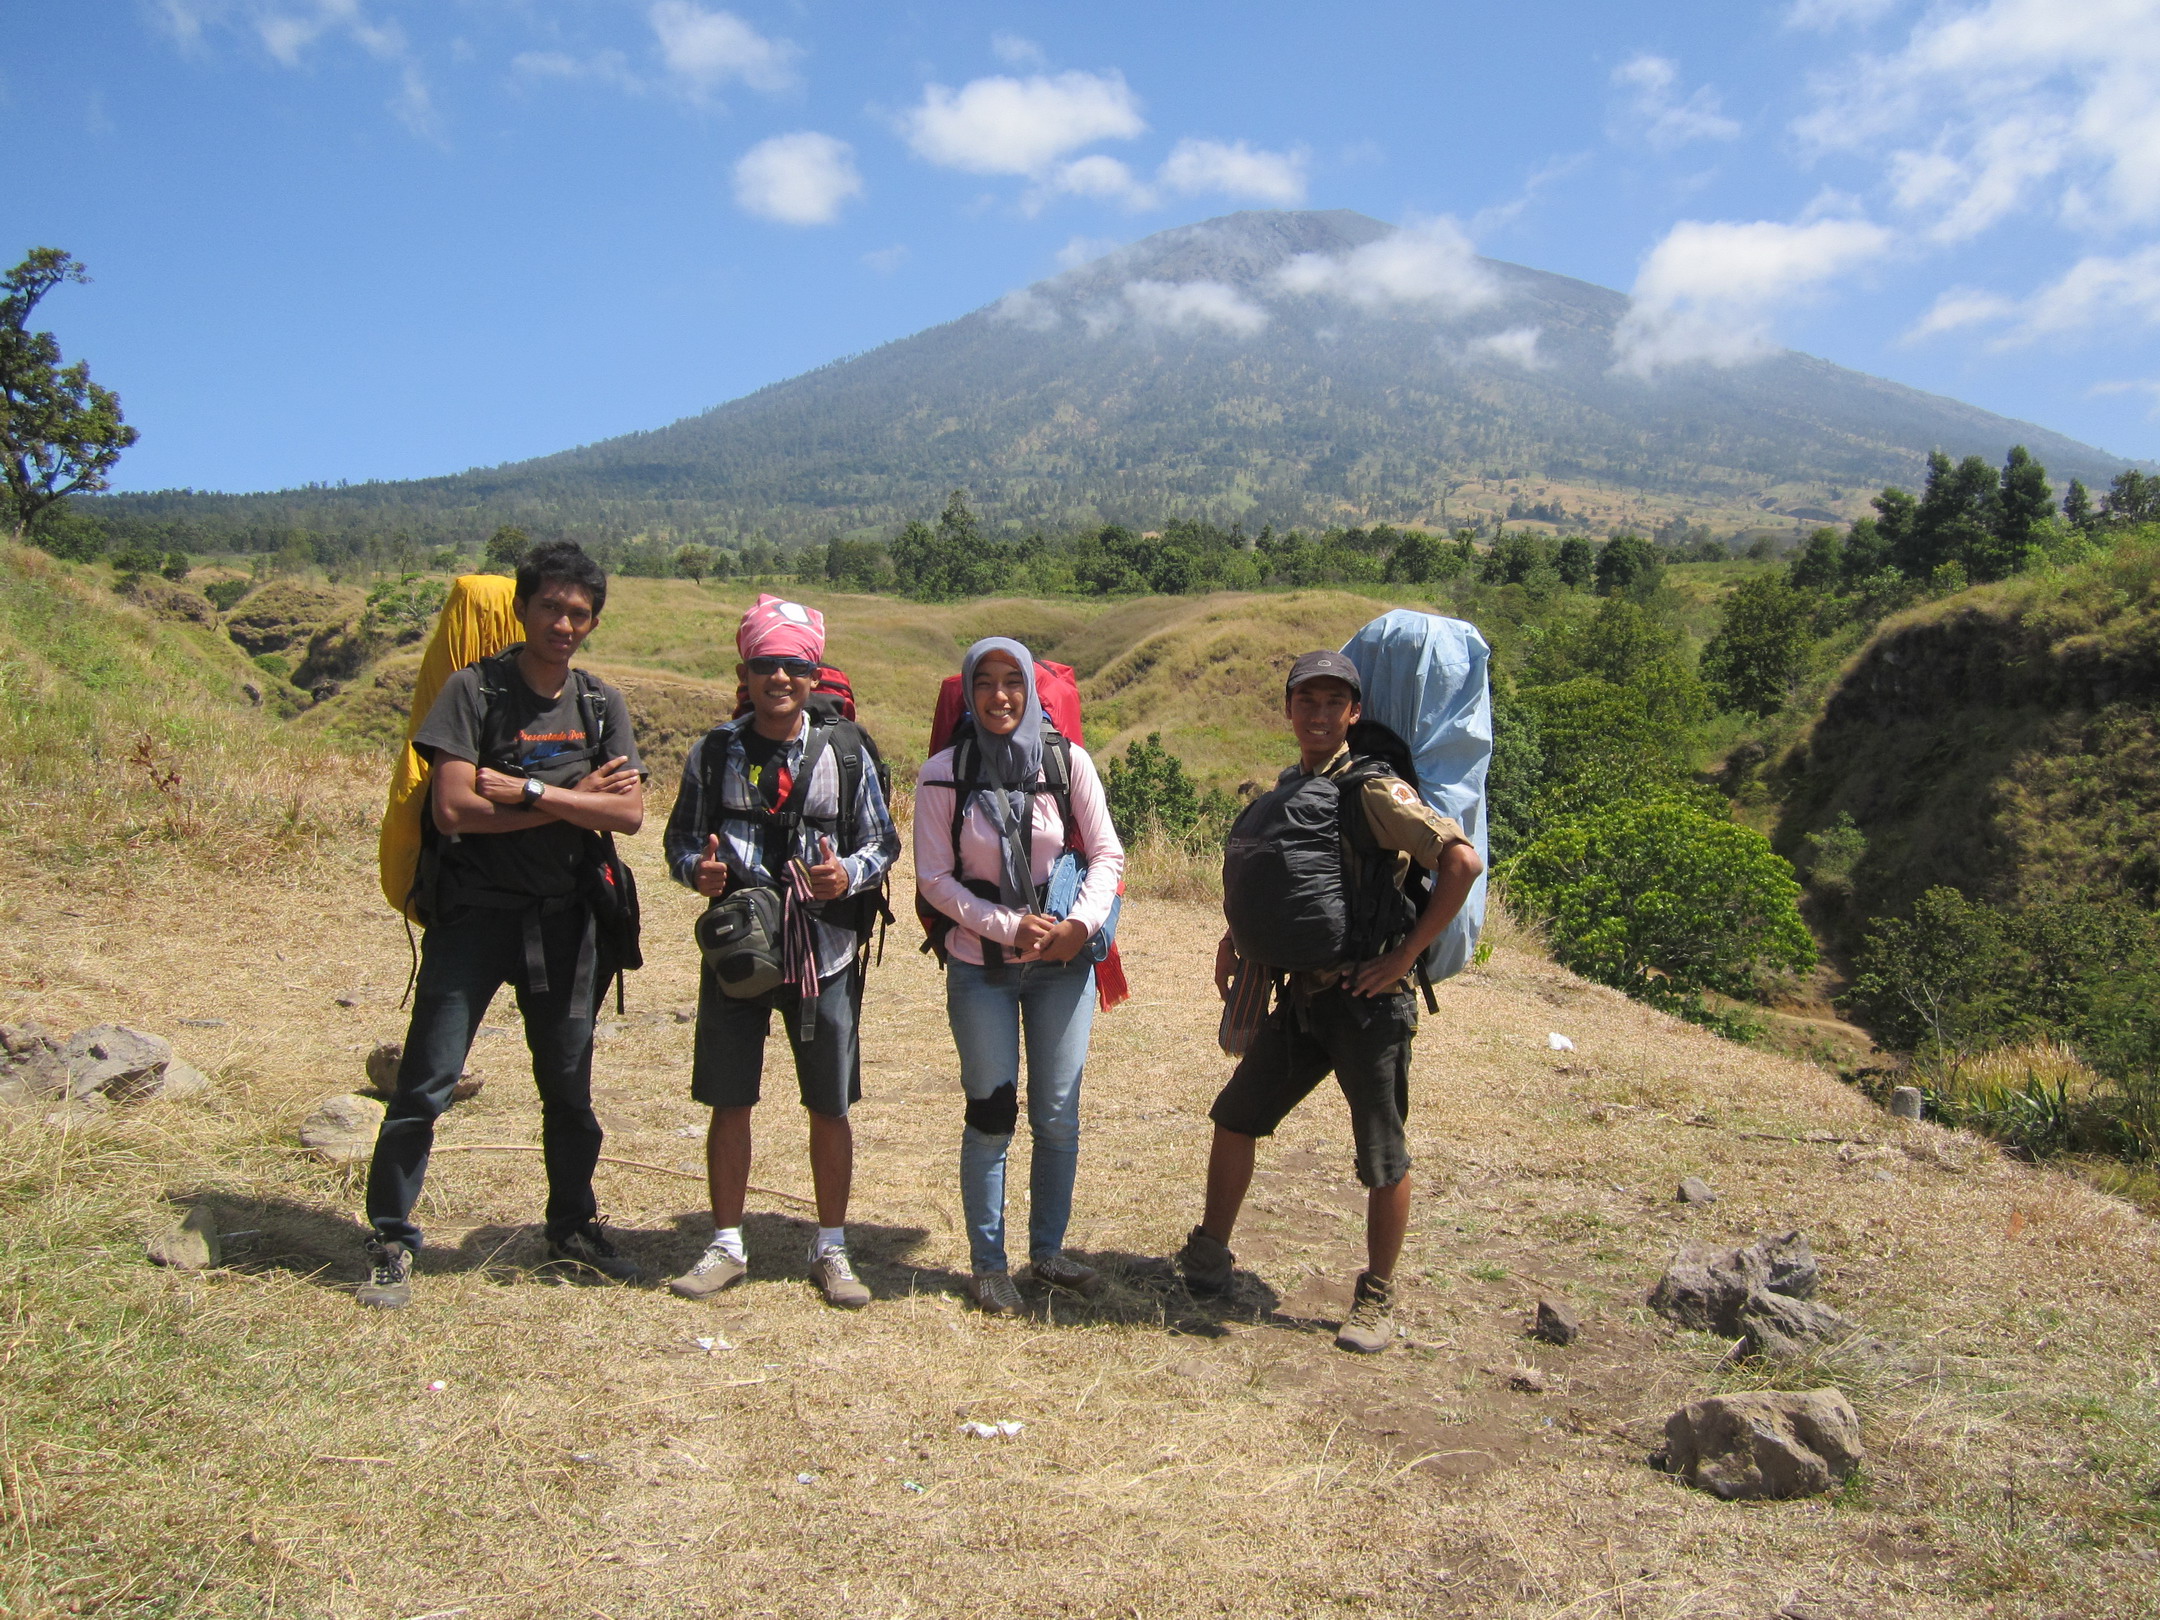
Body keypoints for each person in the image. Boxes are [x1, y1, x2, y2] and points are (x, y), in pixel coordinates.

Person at [358, 541, 647, 1309]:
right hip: (474, 921)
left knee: (569, 1088)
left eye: (578, 612)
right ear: (522, 609)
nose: (563, 622)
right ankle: (390, 1234)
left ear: (593, 622)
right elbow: (454, 808)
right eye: (550, 606)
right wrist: (569, 793)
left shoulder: (598, 703)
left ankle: (572, 1226)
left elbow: (626, 813)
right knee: (426, 1082)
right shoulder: (473, 691)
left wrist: (521, 790)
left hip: (566, 921)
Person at [1177, 650, 1483, 1354]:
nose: (1317, 713)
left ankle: (1376, 1293)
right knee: (1236, 1115)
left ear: (1354, 712)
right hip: (1305, 998)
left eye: (1331, 702)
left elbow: (1460, 861)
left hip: (1370, 1004)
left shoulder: (1373, 791)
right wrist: (1237, 936)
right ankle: (1209, 1254)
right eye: (1304, 701)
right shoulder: (1294, 787)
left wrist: (1405, 957)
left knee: (1381, 1153)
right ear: (1289, 711)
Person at [663, 596, 899, 1310]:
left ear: (813, 673)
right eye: (766, 665)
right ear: (746, 671)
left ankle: (832, 1245)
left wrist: (847, 876)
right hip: (739, 950)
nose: (779, 679)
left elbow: (883, 842)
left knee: (829, 1104)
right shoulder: (713, 752)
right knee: (729, 1100)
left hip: (823, 949)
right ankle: (727, 1242)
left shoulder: (848, 752)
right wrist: (693, 873)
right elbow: (678, 840)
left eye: (793, 667)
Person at [914, 640, 1124, 1313]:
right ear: (969, 693)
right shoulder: (944, 774)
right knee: (992, 1114)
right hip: (982, 969)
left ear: (1032, 693)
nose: (1000, 697)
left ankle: (1049, 1254)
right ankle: (988, 1264)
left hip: (1062, 970)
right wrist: (1008, 927)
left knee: (1059, 1114)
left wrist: (1077, 929)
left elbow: (1106, 856)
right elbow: (934, 880)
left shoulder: (1067, 763)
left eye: (1014, 683)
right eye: (986, 683)